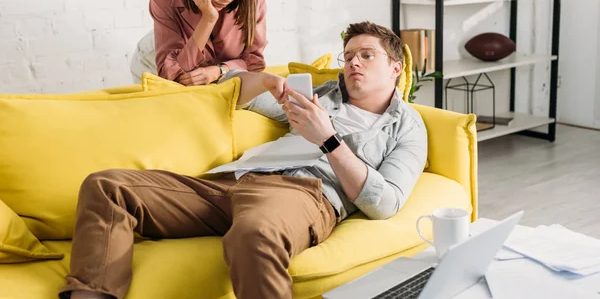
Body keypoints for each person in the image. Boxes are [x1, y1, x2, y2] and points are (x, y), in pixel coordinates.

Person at [59, 21, 427, 299]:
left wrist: (327, 139)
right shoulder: (319, 96)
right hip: (234, 181)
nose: (353, 63)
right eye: (348, 56)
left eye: (366, 55)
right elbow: (239, 94)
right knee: (107, 186)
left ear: (395, 68)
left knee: (254, 234)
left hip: (302, 194)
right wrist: (262, 79)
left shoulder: (407, 126)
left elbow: (386, 202)